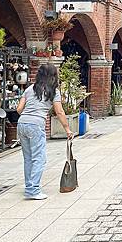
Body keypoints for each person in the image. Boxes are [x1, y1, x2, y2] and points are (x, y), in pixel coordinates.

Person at [16, 64, 72, 200]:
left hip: (22, 123)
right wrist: (67, 129)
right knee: (39, 158)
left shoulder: (30, 89)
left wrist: (29, 115)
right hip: (36, 125)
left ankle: (29, 186)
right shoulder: (53, 91)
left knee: (28, 158)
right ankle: (33, 190)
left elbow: (19, 109)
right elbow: (59, 111)